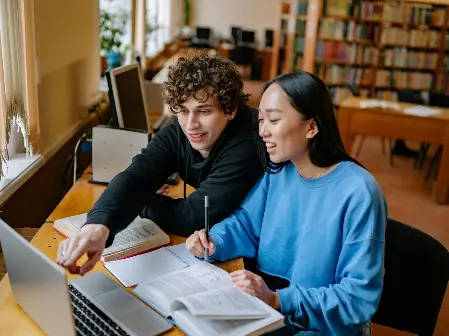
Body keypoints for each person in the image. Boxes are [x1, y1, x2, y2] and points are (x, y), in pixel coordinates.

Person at [186, 71, 387, 336]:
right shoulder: (279, 170)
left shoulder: (359, 192)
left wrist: (279, 300)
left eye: (274, 120)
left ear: (311, 126)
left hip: (322, 328)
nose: (262, 132)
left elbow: (356, 300)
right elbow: (246, 224)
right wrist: (214, 241)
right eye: (260, 120)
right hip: (274, 312)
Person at [57, 53, 264, 275]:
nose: (191, 124)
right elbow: (137, 175)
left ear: (230, 109)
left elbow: (193, 216)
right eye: (183, 110)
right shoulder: (179, 131)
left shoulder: (250, 140)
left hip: (255, 261)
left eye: (204, 111)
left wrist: (145, 201)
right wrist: (97, 227)